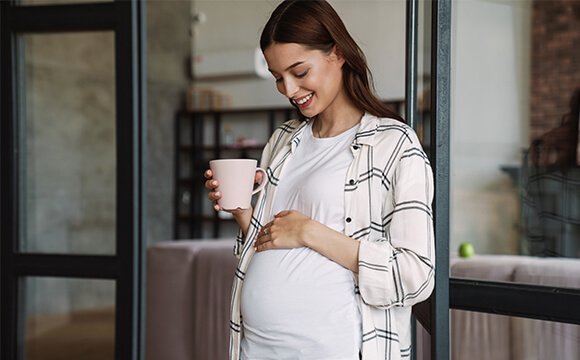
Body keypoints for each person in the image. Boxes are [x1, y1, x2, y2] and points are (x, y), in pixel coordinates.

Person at [204, 1, 435, 359]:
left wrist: (309, 231)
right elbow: (269, 241)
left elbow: (415, 274)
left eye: (299, 72)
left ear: (337, 53)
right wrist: (243, 213)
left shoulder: (393, 144)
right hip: (256, 349)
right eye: (278, 77)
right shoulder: (283, 141)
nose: (289, 89)